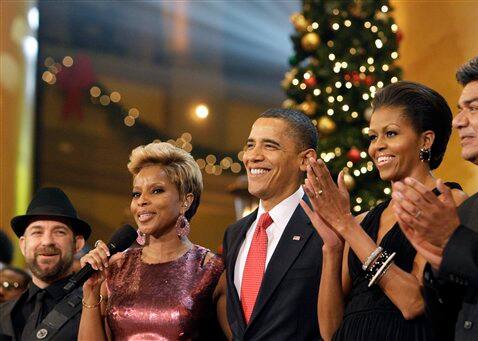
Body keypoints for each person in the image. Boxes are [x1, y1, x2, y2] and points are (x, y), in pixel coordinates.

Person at [300, 81, 468, 340]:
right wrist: (333, 247)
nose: (376, 146)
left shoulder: (448, 203)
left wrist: (347, 226)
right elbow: (329, 330)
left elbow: (414, 303)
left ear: (426, 140)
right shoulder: (363, 220)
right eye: (372, 136)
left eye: (390, 133)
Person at [393, 51, 478, 340]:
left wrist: (453, 242)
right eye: (460, 109)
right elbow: (452, 319)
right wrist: (438, 266)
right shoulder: (469, 209)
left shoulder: (454, 223)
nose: (458, 121)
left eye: (473, 108)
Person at [78, 142, 227, 341]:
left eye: (156, 190)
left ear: (185, 201)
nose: (141, 201)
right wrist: (91, 292)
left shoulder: (210, 269)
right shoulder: (117, 268)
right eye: (136, 193)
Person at [222, 108, 323, 340]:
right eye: (250, 145)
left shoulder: (325, 226)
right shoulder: (234, 233)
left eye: (269, 146)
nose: (253, 156)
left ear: (305, 160)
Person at [0, 187, 91, 341]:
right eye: (37, 232)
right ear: (23, 245)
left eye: (59, 232)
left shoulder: (94, 309)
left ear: (77, 244)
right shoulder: (3, 313)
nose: (47, 241)